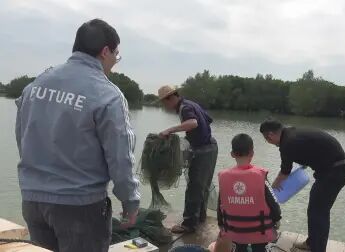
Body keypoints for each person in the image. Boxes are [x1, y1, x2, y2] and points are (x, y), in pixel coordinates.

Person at [15, 19, 140, 252]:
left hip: (33, 200)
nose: (115, 62)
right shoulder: (108, 95)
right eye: (116, 55)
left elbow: (23, 138)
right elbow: (120, 157)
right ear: (105, 52)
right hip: (80, 207)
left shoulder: (36, 85)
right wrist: (130, 202)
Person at [260, 118, 345, 252]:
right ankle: (312, 243)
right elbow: (310, 152)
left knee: (319, 212)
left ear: (270, 135)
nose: (270, 143)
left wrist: (271, 191)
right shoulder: (292, 133)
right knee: (315, 209)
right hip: (336, 169)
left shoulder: (287, 143)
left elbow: (284, 172)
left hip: (334, 172)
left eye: (267, 139)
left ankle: (317, 248)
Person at [158, 85, 218, 233]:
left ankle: (189, 224)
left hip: (203, 151)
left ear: (171, 98)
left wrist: (170, 130)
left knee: (194, 187)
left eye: (165, 103)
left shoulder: (184, 108)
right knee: (203, 186)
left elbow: (193, 123)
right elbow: (208, 120)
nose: (165, 106)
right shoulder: (192, 104)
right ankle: (200, 218)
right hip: (211, 147)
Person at [214, 133, 281, 252]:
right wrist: (277, 219)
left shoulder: (223, 177)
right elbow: (273, 202)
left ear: (232, 154)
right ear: (252, 153)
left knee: (240, 247)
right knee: (260, 248)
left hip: (235, 230)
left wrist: (221, 224)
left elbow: (220, 204)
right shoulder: (260, 176)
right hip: (260, 231)